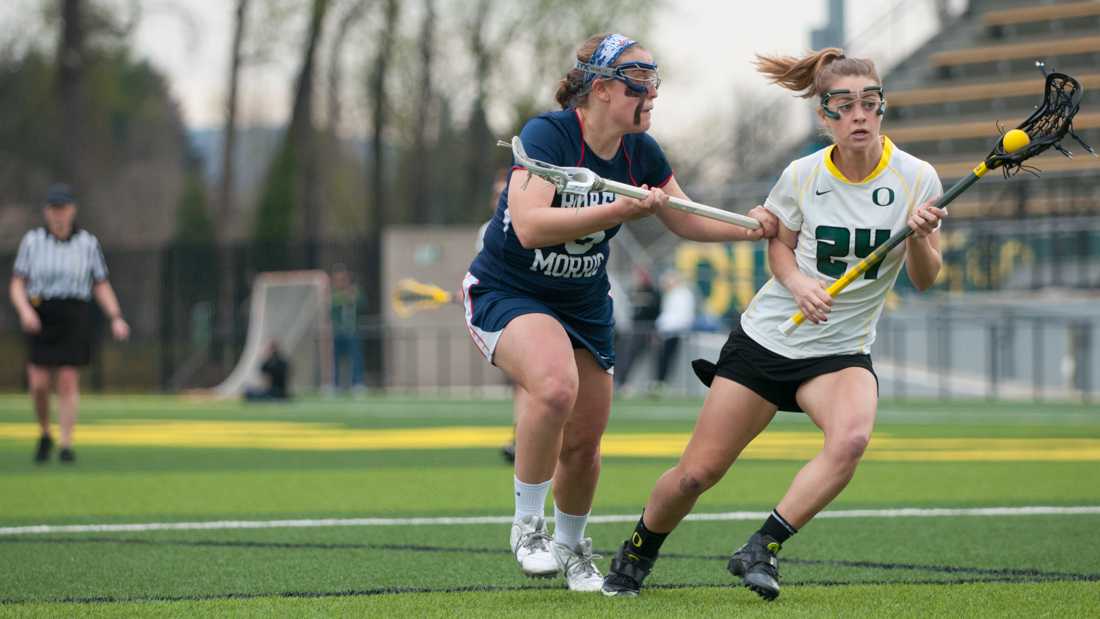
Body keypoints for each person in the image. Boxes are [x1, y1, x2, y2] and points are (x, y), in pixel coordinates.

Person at [602, 48, 946, 600]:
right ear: (824, 116)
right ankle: (638, 551)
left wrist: (923, 235)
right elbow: (778, 251)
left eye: (870, 103)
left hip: (840, 351)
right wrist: (800, 284)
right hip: (769, 339)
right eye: (844, 105)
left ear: (882, 108)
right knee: (696, 474)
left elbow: (927, 278)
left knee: (852, 439)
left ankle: (763, 546)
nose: (859, 115)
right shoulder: (802, 174)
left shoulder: (916, 177)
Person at [461, 32, 777, 592]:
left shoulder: (641, 151)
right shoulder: (548, 135)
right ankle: (527, 527)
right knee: (555, 389)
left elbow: (681, 216)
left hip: (584, 303)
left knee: (584, 442)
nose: (651, 96)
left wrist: (748, 228)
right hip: (510, 290)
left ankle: (572, 546)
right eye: (640, 85)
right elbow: (531, 226)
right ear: (603, 89)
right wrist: (619, 206)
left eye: (655, 84)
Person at [9, 183, 130, 464]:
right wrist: (25, 310)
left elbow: (100, 283)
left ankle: (65, 443)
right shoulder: (33, 242)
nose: (58, 215)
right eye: (53, 209)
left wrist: (116, 317)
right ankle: (44, 432)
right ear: (46, 212)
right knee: (38, 383)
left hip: (74, 312)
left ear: (73, 210)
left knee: (66, 379)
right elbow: (17, 284)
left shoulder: (87, 243)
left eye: (63, 209)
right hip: (41, 312)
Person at [612, 266, 661, 391]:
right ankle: (621, 382)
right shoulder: (632, 290)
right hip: (632, 330)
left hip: (647, 330)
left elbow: (655, 310)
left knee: (650, 359)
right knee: (626, 357)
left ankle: (654, 384)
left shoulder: (653, 291)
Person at [652, 269, 696, 394]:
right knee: (662, 359)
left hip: (675, 333)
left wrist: (664, 328)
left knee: (668, 359)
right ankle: (660, 382)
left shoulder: (683, 295)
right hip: (666, 333)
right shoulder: (670, 295)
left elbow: (681, 317)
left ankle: (663, 383)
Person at [330, 263, 365, 394]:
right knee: (334, 360)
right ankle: (335, 384)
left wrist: (354, 298)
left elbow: (363, 304)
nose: (341, 282)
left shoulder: (355, 291)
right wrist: (345, 297)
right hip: (337, 331)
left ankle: (358, 383)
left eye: (343, 279)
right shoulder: (334, 294)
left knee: (356, 357)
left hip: (352, 331)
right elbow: (332, 305)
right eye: (338, 279)